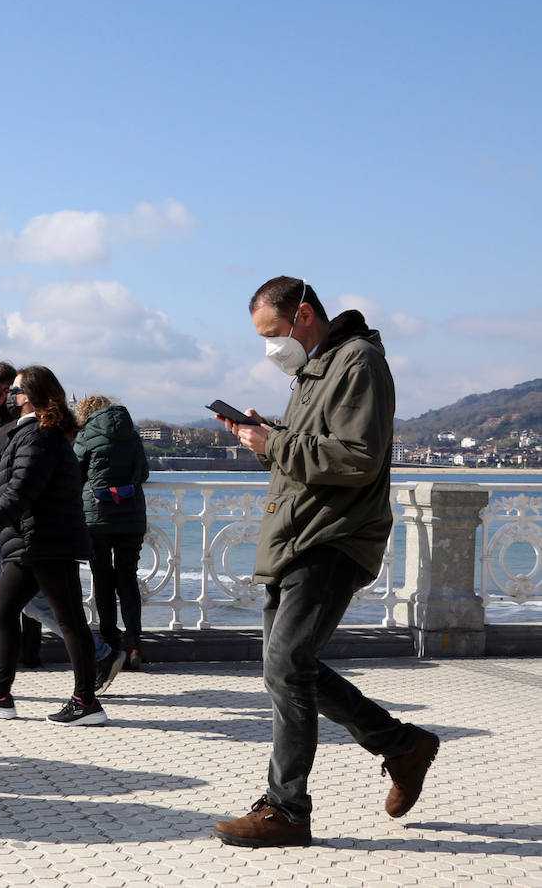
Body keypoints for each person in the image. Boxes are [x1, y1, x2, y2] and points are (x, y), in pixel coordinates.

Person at [213, 276, 440, 847]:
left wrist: (274, 444)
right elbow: (311, 451)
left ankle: (287, 809)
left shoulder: (358, 361)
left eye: (272, 333)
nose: (271, 347)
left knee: (287, 664)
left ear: (305, 314)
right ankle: (402, 745)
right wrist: (267, 435)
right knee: (287, 667)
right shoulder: (315, 369)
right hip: (296, 536)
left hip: (334, 536)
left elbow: (359, 457)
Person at [0, 363, 123, 701]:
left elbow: (22, 491)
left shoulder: (36, 434)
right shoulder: (26, 430)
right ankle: (4, 692)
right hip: (25, 533)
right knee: (24, 607)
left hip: (31, 533)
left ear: (21, 395)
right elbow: (16, 483)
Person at [74, 395, 150, 670]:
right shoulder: (132, 435)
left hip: (97, 517)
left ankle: (110, 642)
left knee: (103, 577)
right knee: (127, 577)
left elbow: (75, 473)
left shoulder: (86, 435)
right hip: (131, 516)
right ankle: (134, 643)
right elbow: (143, 473)